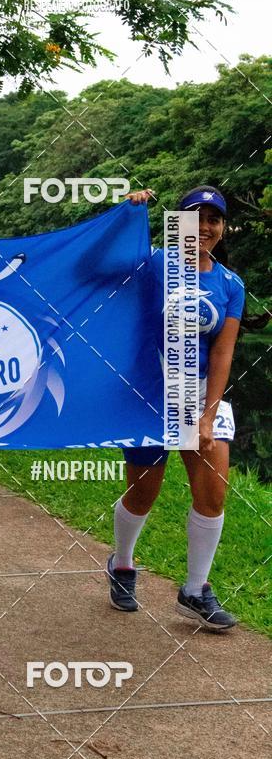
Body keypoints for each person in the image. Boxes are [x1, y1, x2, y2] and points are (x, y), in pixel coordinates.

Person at [106, 185, 245, 631]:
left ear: (223, 227)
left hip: (202, 392)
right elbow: (95, 267)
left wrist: (208, 413)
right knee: (144, 490)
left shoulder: (230, 284)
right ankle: (123, 564)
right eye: (195, 217)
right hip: (151, 391)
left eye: (214, 220)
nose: (205, 227)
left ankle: (195, 589)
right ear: (179, 222)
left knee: (213, 490)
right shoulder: (153, 265)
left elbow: (223, 353)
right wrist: (125, 217)